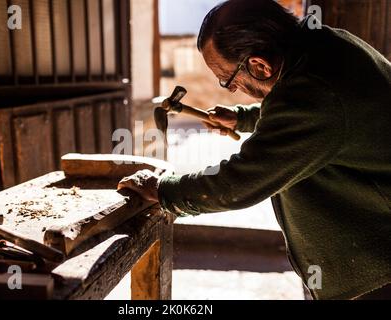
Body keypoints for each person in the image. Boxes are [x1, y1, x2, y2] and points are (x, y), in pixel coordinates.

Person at [118, 0, 391, 300]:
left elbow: (236, 184)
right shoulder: (322, 46)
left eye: (228, 80)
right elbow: (315, 119)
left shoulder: (314, 93)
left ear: (260, 65)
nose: (232, 89)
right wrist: (243, 117)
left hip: (376, 276)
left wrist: (162, 190)